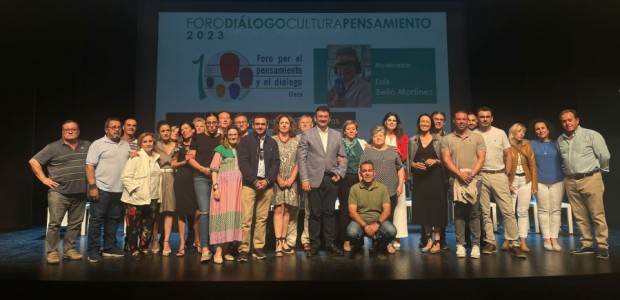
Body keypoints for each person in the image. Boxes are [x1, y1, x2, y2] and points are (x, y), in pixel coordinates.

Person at [29, 120, 91, 264]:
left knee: (75, 224)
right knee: (55, 223)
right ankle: (52, 252)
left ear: (78, 131)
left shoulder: (87, 145)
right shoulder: (53, 147)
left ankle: (69, 249)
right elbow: (33, 161)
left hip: (80, 192)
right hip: (59, 192)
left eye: (74, 129)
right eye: (67, 129)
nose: (70, 131)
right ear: (62, 132)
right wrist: (44, 179)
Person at [557, 109, 610, 259]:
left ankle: (602, 245)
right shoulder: (560, 140)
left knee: (597, 214)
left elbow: (604, 155)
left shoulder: (591, 135)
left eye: (570, 120)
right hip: (570, 180)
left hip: (590, 178)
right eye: (564, 121)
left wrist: (600, 171)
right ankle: (587, 244)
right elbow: (561, 160)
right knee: (579, 215)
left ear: (577, 121)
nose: (567, 123)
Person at [474, 107, 525, 258]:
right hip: (481, 175)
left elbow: (508, 155)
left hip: (499, 174)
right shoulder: (474, 134)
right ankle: (490, 242)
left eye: (487, 117)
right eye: (482, 117)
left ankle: (514, 243)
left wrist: (507, 174)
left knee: (508, 210)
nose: (484, 119)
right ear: (477, 119)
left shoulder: (500, 132)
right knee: (484, 211)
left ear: (492, 118)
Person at [298, 106, 347, 256]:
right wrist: (304, 179)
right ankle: (314, 245)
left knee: (330, 213)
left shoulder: (337, 135)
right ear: (315, 118)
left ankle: (330, 243)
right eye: (320, 116)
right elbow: (301, 158)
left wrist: (340, 172)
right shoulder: (307, 134)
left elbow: (343, 157)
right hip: (313, 179)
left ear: (329, 118)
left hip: (331, 179)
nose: (323, 118)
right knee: (315, 213)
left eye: (325, 116)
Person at [441, 111, 486, 258]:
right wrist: (460, 174)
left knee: (474, 213)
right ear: (454, 120)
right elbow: (446, 159)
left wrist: (471, 174)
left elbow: (481, 158)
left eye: (464, 119)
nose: (461, 121)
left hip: (474, 179)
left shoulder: (477, 137)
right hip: (455, 180)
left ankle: (475, 246)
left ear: (468, 121)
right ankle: (460, 245)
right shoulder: (447, 139)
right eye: (458, 119)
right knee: (459, 213)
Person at [85, 118, 131, 262]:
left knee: (113, 220)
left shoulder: (126, 145)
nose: (117, 129)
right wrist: (93, 187)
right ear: (106, 130)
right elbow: (89, 166)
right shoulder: (97, 144)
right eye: (113, 127)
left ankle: (109, 247)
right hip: (101, 189)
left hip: (119, 190)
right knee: (96, 221)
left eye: (118, 127)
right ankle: (93, 250)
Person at [237, 114, 280, 261]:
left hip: (266, 185)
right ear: (253, 126)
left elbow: (276, 163)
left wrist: (267, 180)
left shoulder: (273, 142)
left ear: (267, 126)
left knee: (261, 219)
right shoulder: (245, 141)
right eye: (257, 124)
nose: (260, 126)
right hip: (249, 185)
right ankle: (244, 249)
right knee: (246, 219)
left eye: (263, 124)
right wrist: (254, 180)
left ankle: (258, 247)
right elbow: (243, 162)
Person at [360, 125, 406, 254]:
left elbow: (400, 168)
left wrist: (400, 185)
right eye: (375, 136)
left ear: (385, 136)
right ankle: (375, 243)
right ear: (372, 138)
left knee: (388, 218)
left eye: (380, 135)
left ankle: (386, 243)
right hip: (372, 190)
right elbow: (361, 169)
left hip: (391, 189)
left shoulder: (393, 150)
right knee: (375, 216)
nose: (378, 138)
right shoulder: (367, 151)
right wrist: (362, 186)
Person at [408, 113, 447, 254]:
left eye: (427, 121)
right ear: (418, 124)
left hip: (436, 178)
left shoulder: (440, 140)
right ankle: (428, 239)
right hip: (420, 179)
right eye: (422, 121)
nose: (424, 123)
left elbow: (447, 159)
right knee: (423, 209)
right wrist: (413, 164)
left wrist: (436, 161)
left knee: (436, 209)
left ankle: (437, 241)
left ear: (431, 124)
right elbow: (407, 161)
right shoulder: (412, 140)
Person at [120, 132, 161, 260]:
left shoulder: (155, 158)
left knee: (148, 226)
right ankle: (133, 249)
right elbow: (126, 177)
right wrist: (136, 189)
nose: (148, 144)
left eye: (150, 141)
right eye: (145, 141)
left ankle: (143, 247)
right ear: (140, 144)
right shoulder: (136, 157)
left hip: (153, 198)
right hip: (135, 198)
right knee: (133, 226)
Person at [188, 113, 221, 262]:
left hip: (218, 179)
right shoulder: (197, 137)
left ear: (218, 124)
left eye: (215, 123)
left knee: (218, 212)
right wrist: (202, 169)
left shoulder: (222, 138)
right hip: (201, 177)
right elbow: (190, 158)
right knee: (205, 212)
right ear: (206, 124)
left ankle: (217, 246)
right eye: (209, 123)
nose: (212, 125)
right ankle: (206, 247)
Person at [347, 160, 397, 257]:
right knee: (351, 232)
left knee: (392, 231)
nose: (367, 173)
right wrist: (365, 226)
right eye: (364, 171)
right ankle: (359, 245)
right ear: (360, 173)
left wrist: (377, 224)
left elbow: (387, 211)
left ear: (374, 172)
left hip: (378, 220)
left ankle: (380, 244)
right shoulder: (354, 188)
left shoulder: (382, 188)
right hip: (360, 221)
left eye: (370, 171)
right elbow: (352, 212)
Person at [209, 126, 243, 263]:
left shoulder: (241, 150)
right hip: (223, 187)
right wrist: (216, 187)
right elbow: (213, 170)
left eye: (235, 134)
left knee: (232, 217)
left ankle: (227, 249)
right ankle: (218, 250)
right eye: (230, 134)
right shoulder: (220, 150)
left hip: (237, 188)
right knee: (221, 217)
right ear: (226, 136)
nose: (233, 137)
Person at [529, 118, 564, 251]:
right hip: (540, 182)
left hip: (558, 180)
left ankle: (554, 239)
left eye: (543, 128)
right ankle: (546, 239)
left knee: (555, 210)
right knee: (543, 210)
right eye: (537, 129)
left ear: (548, 130)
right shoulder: (531, 144)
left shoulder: (557, 143)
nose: (540, 130)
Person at [507, 123, 538, 252]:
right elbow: (504, 166)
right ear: (513, 132)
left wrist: (534, 185)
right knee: (509, 212)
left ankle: (523, 242)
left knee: (523, 212)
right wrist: (507, 183)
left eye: (523, 131)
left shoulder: (527, 146)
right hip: (512, 181)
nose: (522, 134)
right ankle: (508, 240)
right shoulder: (506, 146)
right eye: (519, 131)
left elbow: (533, 166)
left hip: (526, 180)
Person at [338, 120, 367, 252]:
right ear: (344, 131)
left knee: (359, 210)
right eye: (348, 128)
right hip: (344, 179)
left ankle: (358, 240)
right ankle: (346, 240)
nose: (350, 130)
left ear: (357, 131)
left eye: (353, 128)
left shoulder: (363, 143)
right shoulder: (339, 142)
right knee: (345, 210)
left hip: (358, 179)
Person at [271, 114, 299, 256]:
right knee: (278, 209)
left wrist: (291, 179)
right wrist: (279, 179)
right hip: (277, 180)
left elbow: (298, 162)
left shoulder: (295, 141)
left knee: (287, 209)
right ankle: (278, 241)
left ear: (290, 125)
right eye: (281, 122)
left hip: (291, 181)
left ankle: (284, 241)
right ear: (277, 125)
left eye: (286, 123)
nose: (283, 125)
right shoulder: (272, 140)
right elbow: (270, 162)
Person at [171, 121, 199, 257]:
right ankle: (182, 243)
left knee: (197, 213)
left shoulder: (198, 144)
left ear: (193, 130)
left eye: (186, 128)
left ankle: (198, 241)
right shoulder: (179, 146)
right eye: (181, 129)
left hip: (196, 179)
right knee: (181, 212)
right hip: (182, 180)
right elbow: (173, 164)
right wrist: (185, 162)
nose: (183, 131)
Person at [287, 114, 314, 252]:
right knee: (293, 209)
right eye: (301, 123)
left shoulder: (316, 139)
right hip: (295, 179)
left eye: (306, 122)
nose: (304, 125)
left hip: (310, 179)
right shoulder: (294, 139)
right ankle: (291, 240)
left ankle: (306, 239)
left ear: (312, 124)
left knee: (309, 210)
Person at [382, 112, 409, 251]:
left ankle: (396, 237)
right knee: (383, 208)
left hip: (398, 176)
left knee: (398, 208)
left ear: (397, 123)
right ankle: (383, 237)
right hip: (381, 177)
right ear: (385, 122)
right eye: (389, 120)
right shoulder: (380, 135)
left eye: (394, 120)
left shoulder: (403, 138)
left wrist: (399, 152)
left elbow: (405, 157)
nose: (392, 122)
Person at [151, 121, 178, 255]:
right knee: (156, 211)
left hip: (172, 179)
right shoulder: (155, 145)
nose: (166, 133)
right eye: (163, 131)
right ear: (158, 133)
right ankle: (155, 240)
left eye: (168, 130)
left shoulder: (177, 146)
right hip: (158, 178)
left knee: (169, 211)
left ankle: (166, 241)